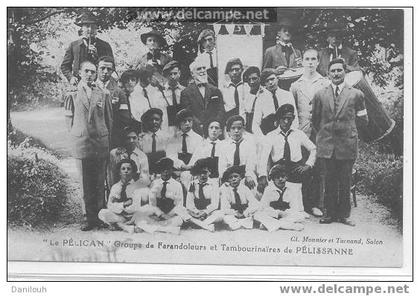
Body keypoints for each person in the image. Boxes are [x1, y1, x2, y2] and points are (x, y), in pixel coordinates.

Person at [312, 58, 368, 226]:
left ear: (345, 72)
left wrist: (348, 131)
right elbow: (315, 120)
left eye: (339, 70)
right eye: (333, 71)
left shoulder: (356, 94)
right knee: (329, 180)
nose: (336, 73)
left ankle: (344, 215)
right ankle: (329, 214)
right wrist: (325, 134)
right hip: (327, 144)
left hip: (347, 144)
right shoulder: (320, 94)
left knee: (345, 180)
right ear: (328, 74)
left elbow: (363, 120)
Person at [64, 60, 113, 231]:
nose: (90, 74)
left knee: (100, 182)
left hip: (100, 142)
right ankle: (88, 218)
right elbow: (69, 121)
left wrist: (106, 137)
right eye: (87, 71)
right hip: (82, 142)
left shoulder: (104, 93)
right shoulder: (72, 94)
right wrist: (76, 137)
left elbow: (108, 119)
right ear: (79, 72)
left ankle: (99, 215)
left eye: (93, 71)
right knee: (85, 182)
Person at [258, 104, 316, 216]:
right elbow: (263, 158)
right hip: (279, 169)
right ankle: (278, 209)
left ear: (293, 118)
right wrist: (262, 175)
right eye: (283, 118)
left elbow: (313, 148)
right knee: (272, 198)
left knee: (304, 183)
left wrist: (308, 165)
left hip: (295, 169)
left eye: (289, 118)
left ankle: (308, 206)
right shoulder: (271, 136)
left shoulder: (298, 134)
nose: (286, 121)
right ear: (278, 119)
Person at [129, 157, 189, 234]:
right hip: (157, 214)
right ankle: (167, 229)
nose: (165, 172)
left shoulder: (177, 185)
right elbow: (152, 203)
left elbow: (179, 204)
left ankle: (153, 228)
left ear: (172, 170)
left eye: (168, 169)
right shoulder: (154, 183)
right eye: (163, 170)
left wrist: (169, 215)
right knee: (138, 216)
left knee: (180, 218)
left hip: (170, 215)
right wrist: (160, 215)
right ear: (160, 171)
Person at [219, 165, 281, 231]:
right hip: (233, 214)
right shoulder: (225, 190)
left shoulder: (244, 188)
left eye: (236, 176)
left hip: (245, 214)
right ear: (228, 180)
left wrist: (246, 213)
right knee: (226, 218)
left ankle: (273, 225)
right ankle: (243, 224)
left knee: (259, 213)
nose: (233, 179)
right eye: (230, 178)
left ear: (240, 177)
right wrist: (235, 213)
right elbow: (224, 208)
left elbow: (254, 203)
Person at [61, 12, 114, 86]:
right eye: (87, 26)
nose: (90, 29)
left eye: (93, 27)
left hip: (99, 84)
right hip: (79, 83)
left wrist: (97, 56)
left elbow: (111, 66)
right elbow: (65, 66)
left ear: (96, 29)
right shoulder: (74, 45)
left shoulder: (105, 46)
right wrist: (71, 78)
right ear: (82, 28)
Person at [98, 159, 148, 233]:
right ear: (119, 172)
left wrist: (118, 206)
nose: (126, 171)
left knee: (145, 216)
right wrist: (124, 204)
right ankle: (124, 226)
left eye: (129, 169)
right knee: (102, 213)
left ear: (133, 172)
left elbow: (136, 206)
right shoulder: (115, 187)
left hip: (134, 216)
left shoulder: (137, 186)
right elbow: (110, 205)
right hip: (121, 217)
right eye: (123, 169)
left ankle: (119, 225)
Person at [180, 55, 225, 136]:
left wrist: (214, 125)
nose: (203, 71)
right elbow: (188, 113)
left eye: (204, 68)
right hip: (196, 131)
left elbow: (220, 110)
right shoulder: (186, 93)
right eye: (199, 69)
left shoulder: (215, 90)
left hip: (214, 130)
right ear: (192, 74)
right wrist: (200, 126)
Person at [290, 49, 330, 138]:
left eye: (313, 59)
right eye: (307, 59)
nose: (310, 62)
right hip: (302, 132)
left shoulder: (326, 83)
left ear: (318, 62)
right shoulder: (295, 85)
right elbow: (293, 110)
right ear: (302, 62)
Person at [96, 56, 131, 148]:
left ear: (112, 71)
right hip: (93, 137)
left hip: (112, 136)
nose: (105, 72)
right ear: (97, 68)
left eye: (109, 69)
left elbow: (124, 118)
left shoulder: (119, 92)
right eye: (102, 68)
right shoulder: (89, 88)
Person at [252, 68, 298, 136]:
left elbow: (295, 119)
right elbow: (255, 124)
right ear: (264, 83)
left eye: (272, 79)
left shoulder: (287, 95)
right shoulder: (261, 99)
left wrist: (291, 136)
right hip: (269, 136)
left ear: (277, 78)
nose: (270, 83)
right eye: (267, 81)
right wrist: (263, 140)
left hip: (287, 134)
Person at [258, 164, 304, 230]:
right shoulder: (268, 189)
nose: (280, 179)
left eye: (282, 176)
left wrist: (285, 213)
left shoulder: (292, 189)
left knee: (300, 216)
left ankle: (274, 224)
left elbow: (295, 207)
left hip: (286, 214)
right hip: (273, 214)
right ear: (273, 179)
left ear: (286, 177)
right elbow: (264, 207)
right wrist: (277, 213)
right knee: (259, 214)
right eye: (277, 177)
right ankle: (288, 226)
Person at [185, 158, 225, 231]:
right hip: (196, 212)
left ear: (209, 172)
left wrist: (205, 212)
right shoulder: (192, 183)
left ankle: (198, 224)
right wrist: (196, 213)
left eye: (205, 172)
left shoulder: (214, 184)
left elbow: (215, 204)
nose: (202, 175)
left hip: (209, 212)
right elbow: (189, 203)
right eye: (199, 173)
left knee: (220, 214)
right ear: (196, 173)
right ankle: (206, 225)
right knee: (181, 211)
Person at [219, 115, 257, 189]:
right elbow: (222, 166)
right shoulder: (224, 145)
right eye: (233, 128)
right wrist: (226, 177)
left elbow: (251, 163)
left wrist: (248, 175)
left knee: (252, 187)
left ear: (243, 129)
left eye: (239, 128)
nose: (236, 131)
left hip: (245, 175)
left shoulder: (249, 144)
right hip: (229, 176)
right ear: (229, 130)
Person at [138, 108, 169, 175]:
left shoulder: (167, 138)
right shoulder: (141, 139)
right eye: (151, 120)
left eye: (157, 119)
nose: (154, 122)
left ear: (161, 121)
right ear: (147, 122)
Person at [242, 66, 272, 133]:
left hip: (262, 131)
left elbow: (269, 116)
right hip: (247, 131)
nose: (251, 82)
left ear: (259, 78)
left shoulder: (267, 94)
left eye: (254, 79)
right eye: (249, 79)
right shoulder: (246, 95)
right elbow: (242, 113)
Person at [162, 60, 185, 136]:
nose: (172, 77)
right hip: (166, 129)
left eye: (175, 73)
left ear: (179, 73)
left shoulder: (184, 91)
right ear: (166, 75)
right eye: (170, 74)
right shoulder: (161, 92)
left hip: (182, 128)